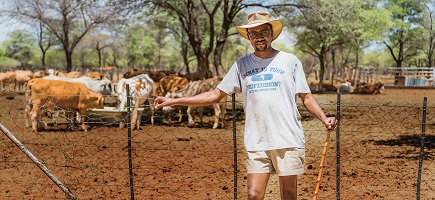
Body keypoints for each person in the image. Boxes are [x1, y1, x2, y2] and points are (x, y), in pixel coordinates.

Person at [154, 12, 337, 200]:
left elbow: (306, 97)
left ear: (271, 33)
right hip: (257, 140)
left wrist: (324, 118)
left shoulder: (289, 61)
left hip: (287, 138)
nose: (259, 36)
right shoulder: (241, 65)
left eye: (263, 31)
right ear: (249, 37)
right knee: (253, 195)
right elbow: (215, 94)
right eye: (254, 33)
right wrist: (174, 101)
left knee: (288, 194)